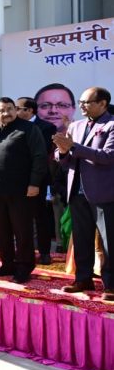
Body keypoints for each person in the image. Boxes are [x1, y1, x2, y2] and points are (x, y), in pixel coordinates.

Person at [0, 98, 47, 283]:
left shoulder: (29, 129)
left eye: (9, 109)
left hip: (21, 190)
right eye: (2, 110)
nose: (6, 113)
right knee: (1, 231)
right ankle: (7, 264)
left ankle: (24, 267)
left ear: (16, 110)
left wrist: (34, 183)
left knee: (22, 231)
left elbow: (39, 156)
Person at [52, 87, 114, 301]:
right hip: (77, 192)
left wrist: (73, 147)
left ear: (103, 103)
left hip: (103, 192)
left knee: (109, 241)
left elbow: (108, 156)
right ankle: (83, 279)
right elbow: (64, 158)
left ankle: (111, 285)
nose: (82, 106)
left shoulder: (111, 125)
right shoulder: (76, 125)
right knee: (81, 238)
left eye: (87, 102)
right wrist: (62, 151)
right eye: (80, 102)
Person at [16, 96, 58, 264]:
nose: (15, 112)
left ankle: (45, 252)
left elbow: (42, 152)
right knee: (19, 217)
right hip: (17, 179)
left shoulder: (47, 127)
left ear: (29, 110)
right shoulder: (14, 126)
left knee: (41, 217)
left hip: (38, 179)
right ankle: (23, 252)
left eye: (18, 108)